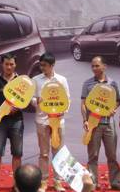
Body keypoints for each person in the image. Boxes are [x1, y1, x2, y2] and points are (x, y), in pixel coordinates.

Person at [80, 56, 120, 190]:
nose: (94, 68)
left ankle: (115, 182)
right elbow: (83, 104)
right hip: (93, 124)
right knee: (93, 155)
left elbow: (117, 101)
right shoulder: (87, 84)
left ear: (104, 66)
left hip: (109, 124)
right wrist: (85, 120)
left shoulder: (112, 83)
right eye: (92, 66)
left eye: (97, 66)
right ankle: (93, 182)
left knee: (112, 155)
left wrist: (113, 109)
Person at [32, 52, 71, 192]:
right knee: (44, 153)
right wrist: (37, 101)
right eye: (41, 65)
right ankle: (43, 181)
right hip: (42, 120)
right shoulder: (35, 80)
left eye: (45, 65)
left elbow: (67, 99)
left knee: (58, 152)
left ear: (52, 65)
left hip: (58, 121)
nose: (42, 67)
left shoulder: (62, 80)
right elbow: (31, 98)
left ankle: (57, 181)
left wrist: (62, 111)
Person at [0, 52, 24, 192]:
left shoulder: (21, 81)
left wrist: (19, 107)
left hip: (17, 121)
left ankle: (16, 184)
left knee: (17, 153)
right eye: (6, 64)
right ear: (2, 64)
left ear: (15, 64)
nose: (9, 67)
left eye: (11, 64)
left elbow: (26, 100)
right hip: (0, 121)